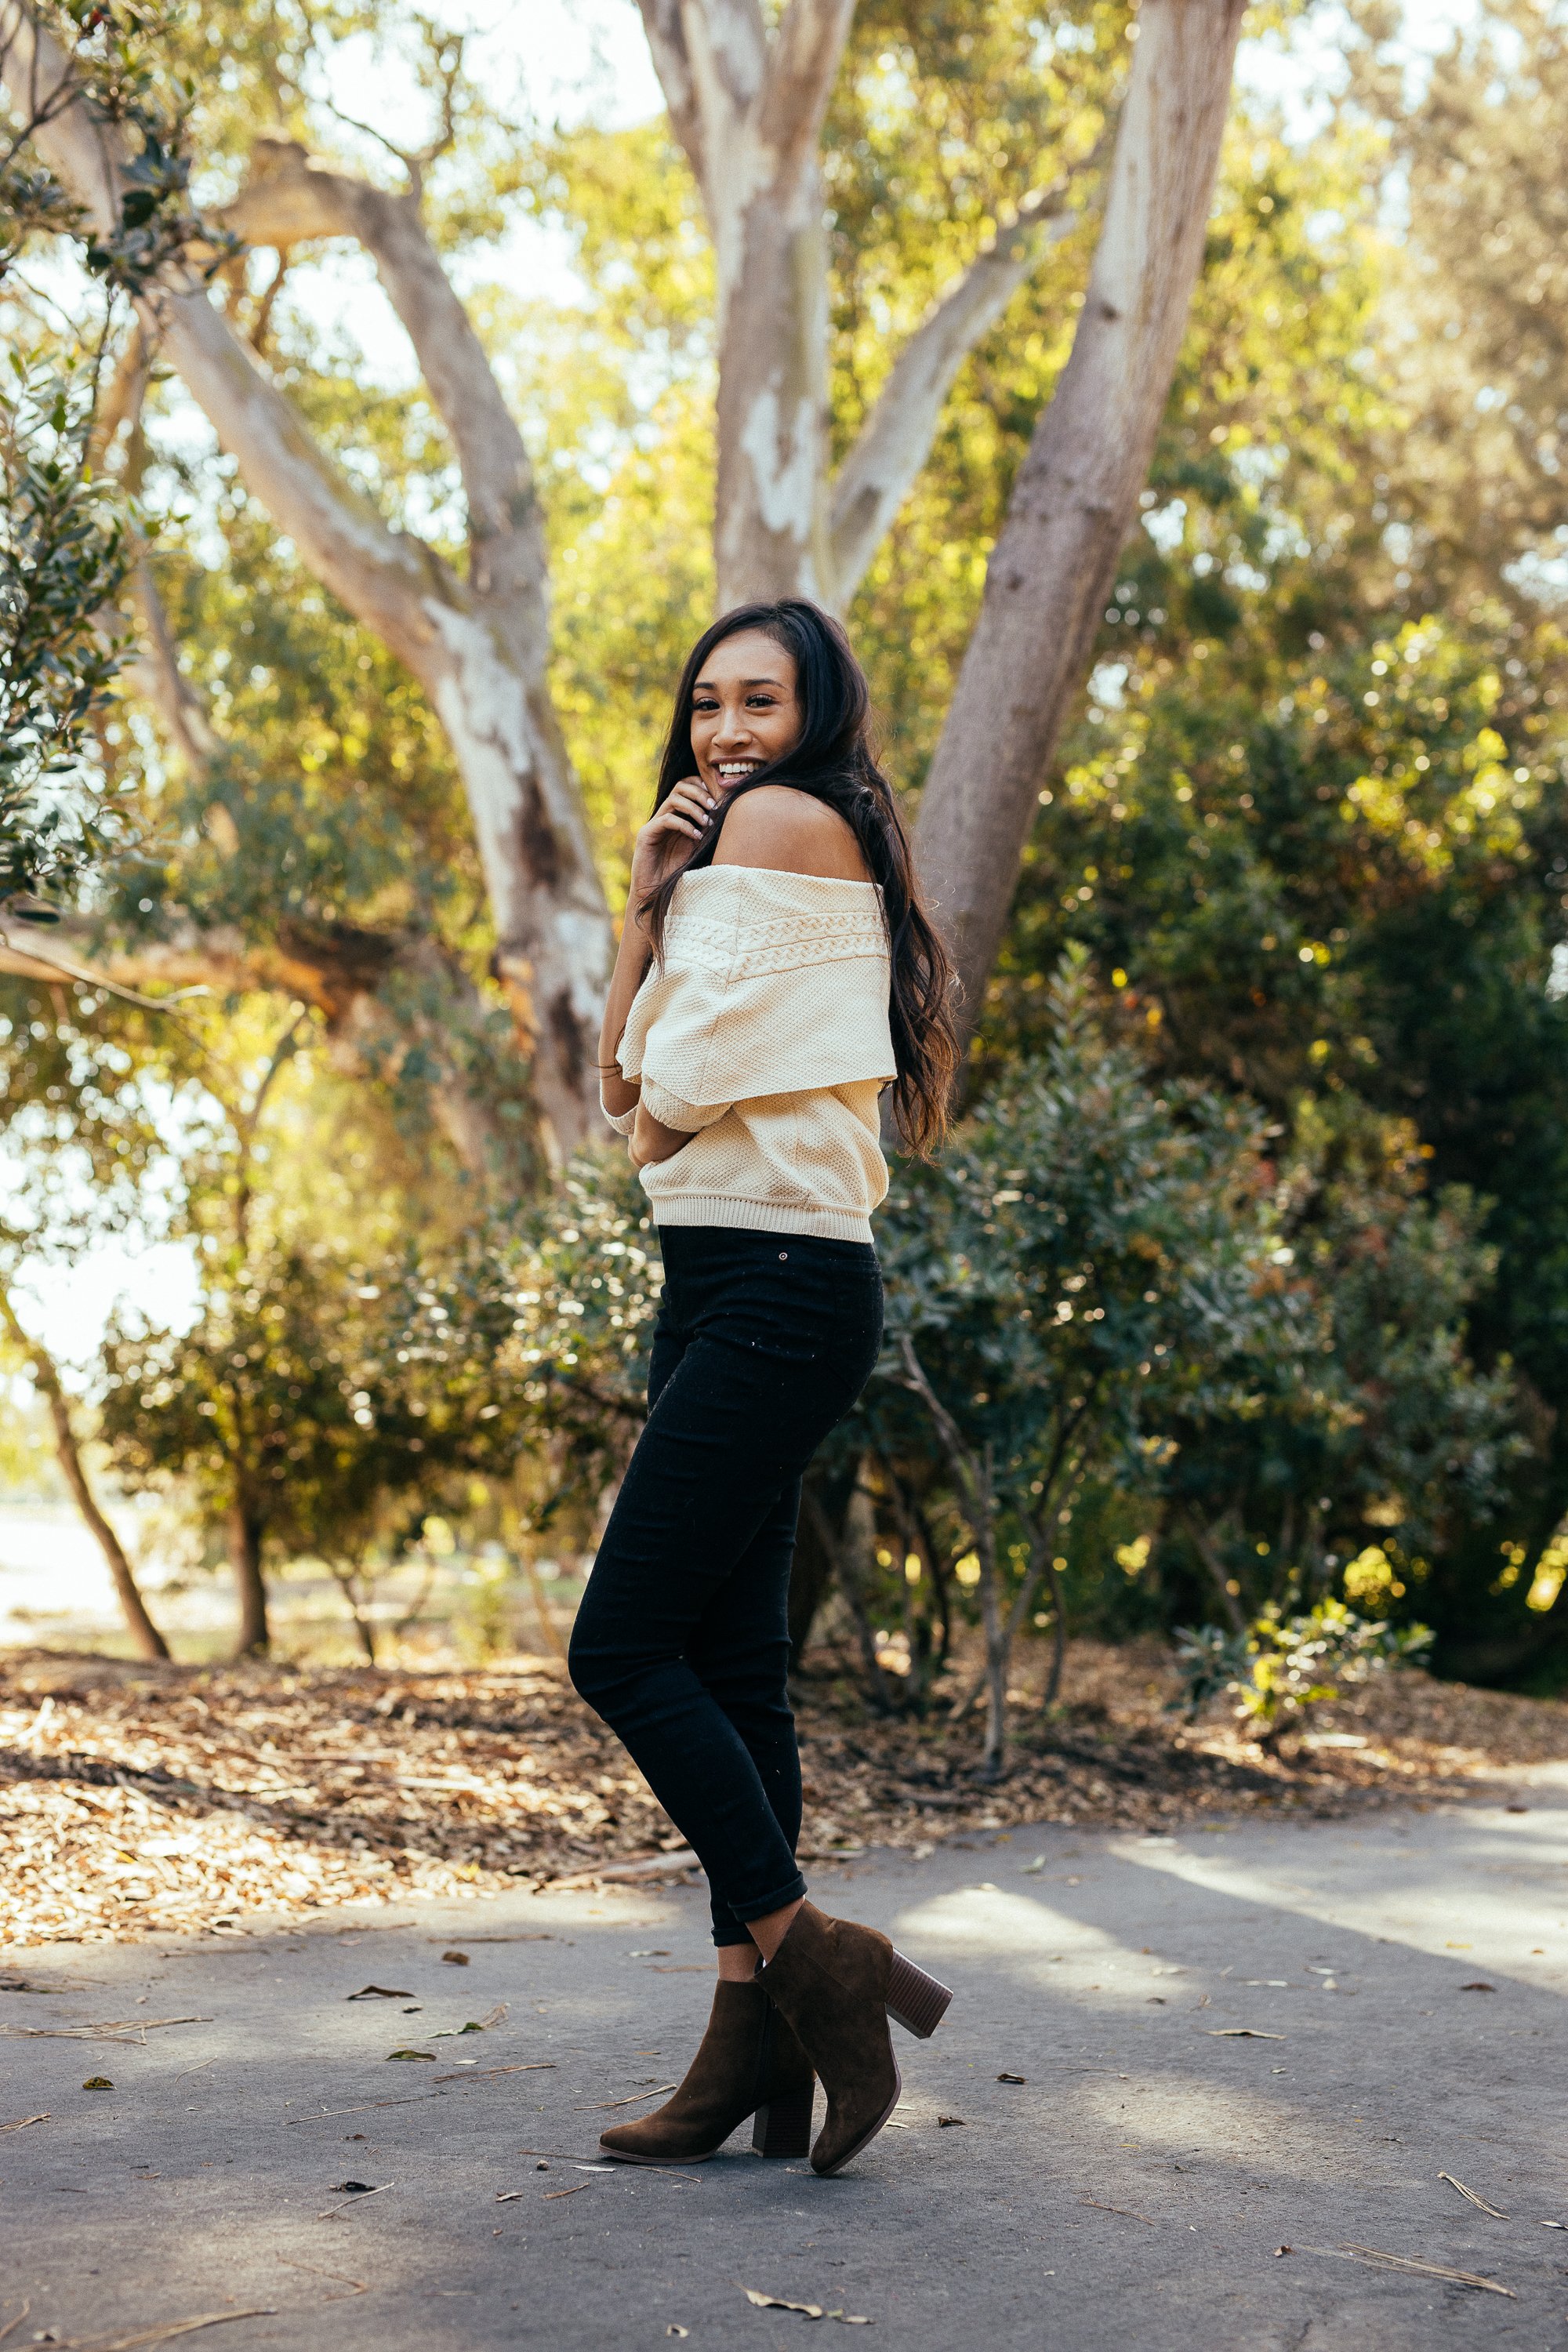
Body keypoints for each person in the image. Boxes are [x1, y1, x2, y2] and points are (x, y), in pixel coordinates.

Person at [568, 597, 960, 2179]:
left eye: (760, 702)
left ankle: (817, 1960)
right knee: (735, 1670)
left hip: (783, 1284)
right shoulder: (721, 857)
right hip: (724, 1281)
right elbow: (625, 1096)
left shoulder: (787, 824)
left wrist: (655, 1060)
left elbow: (665, 1096)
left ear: (815, 716)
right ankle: (751, 2048)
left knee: (619, 1644)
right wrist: (640, 918)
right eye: (705, 705)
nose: (726, 733)